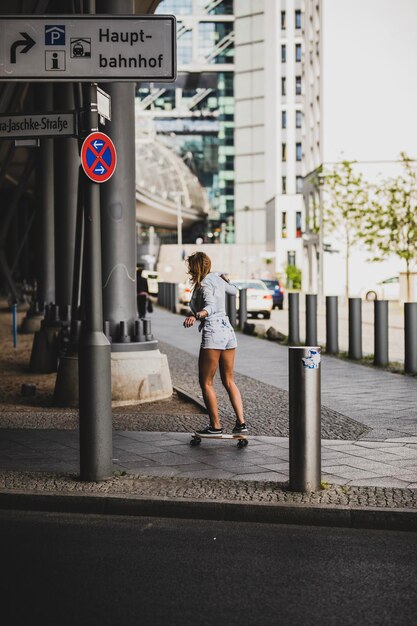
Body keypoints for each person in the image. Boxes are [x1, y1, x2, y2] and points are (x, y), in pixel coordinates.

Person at [183, 251, 247, 437]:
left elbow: (209, 307)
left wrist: (196, 316)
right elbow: (234, 291)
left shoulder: (204, 284)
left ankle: (215, 426)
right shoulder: (217, 278)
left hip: (214, 332)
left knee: (206, 382)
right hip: (228, 331)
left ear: (194, 268)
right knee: (228, 380)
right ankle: (241, 423)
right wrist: (225, 280)